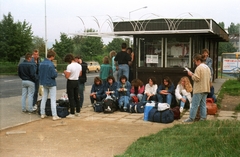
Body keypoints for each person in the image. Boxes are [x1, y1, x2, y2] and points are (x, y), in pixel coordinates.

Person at [184, 54, 211, 122]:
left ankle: (191, 118)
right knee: (203, 104)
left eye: (195, 62)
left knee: (194, 105)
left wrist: (191, 75)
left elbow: (197, 78)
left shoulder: (199, 68)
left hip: (199, 89)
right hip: (206, 88)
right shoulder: (207, 67)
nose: (195, 63)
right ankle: (203, 118)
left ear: (198, 61)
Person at [39, 50, 61, 120]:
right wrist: (56, 72)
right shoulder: (51, 64)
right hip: (51, 83)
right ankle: (54, 115)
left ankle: (42, 113)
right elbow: (54, 75)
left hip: (44, 82)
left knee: (44, 98)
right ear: (51, 56)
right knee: (53, 99)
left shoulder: (41, 64)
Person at [64, 53, 82, 118]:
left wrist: (65, 73)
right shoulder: (79, 65)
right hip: (76, 81)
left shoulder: (69, 66)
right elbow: (80, 74)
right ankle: (78, 111)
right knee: (76, 97)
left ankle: (72, 112)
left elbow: (67, 76)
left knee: (71, 97)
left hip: (71, 81)